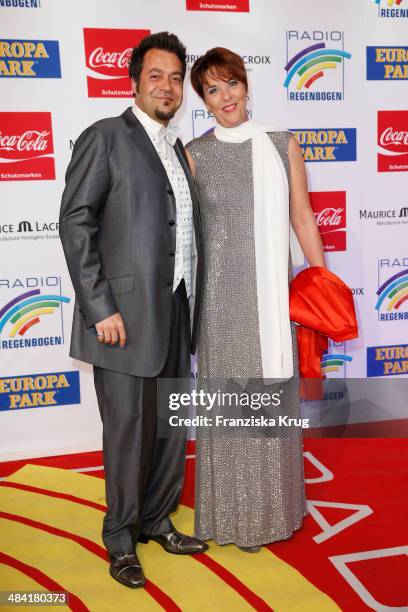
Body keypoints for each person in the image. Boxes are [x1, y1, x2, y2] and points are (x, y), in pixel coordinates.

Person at [59, 32, 207, 589]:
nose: (166, 86)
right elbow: (76, 222)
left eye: (175, 78)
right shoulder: (105, 137)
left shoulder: (175, 147)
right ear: (134, 81)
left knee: (168, 426)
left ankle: (156, 520)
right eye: (156, 76)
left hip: (176, 308)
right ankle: (120, 539)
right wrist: (100, 307)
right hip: (121, 317)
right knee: (127, 431)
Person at [185, 47, 325, 551]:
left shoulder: (281, 143)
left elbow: (302, 218)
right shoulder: (195, 154)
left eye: (231, 84)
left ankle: (273, 511)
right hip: (220, 303)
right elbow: (188, 235)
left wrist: (322, 283)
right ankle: (231, 514)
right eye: (212, 90)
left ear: (246, 85)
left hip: (270, 299)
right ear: (203, 99)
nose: (225, 97)